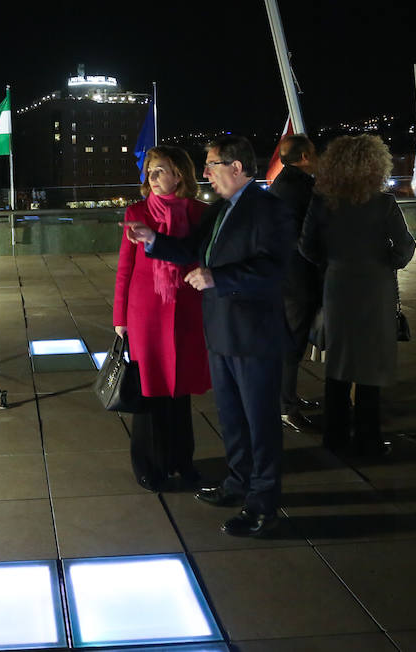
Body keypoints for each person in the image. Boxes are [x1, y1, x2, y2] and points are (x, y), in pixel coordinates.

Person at [127, 135, 295, 539]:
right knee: (233, 420)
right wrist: (154, 240)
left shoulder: (269, 210)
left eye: (213, 164)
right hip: (220, 333)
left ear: (237, 168)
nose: (205, 172)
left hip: (254, 337)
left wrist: (218, 277)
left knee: (261, 424)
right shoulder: (220, 210)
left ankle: (263, 504)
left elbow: (275, 269)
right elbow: (192, 251)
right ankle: (237, 483)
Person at [299, 135, 416, 456]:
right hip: (374, 288)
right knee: (370, 365)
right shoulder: (384, 204)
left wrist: (332, 262)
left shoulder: (321, 202)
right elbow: (406, 248)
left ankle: (335, 437)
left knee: (339, 362)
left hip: (338, 287)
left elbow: (306, 247)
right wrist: (386, 263)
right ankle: (369, 439)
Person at [113, 145, 211, 491]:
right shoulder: (136, 211)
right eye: (150, 171)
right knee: (149, 387)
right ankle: (148, 464)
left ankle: (182, 461)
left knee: (179, 388)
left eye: (160, 170)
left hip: (186, 310)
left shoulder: (200, 212)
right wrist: (119, 316)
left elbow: (201, 257)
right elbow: (125, 269)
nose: (152, 178)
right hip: (145, 314)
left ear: (179, 174)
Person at [267, 133, 322, 433]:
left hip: (291, 274)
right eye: (313, 153)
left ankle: (287, 398)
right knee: (292, 340)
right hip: (296, 277)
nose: (316, 157)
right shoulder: (296, 187)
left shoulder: (287, 183)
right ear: (303, 157)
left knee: (293, 338)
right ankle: (285, 405)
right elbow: (304, 236)